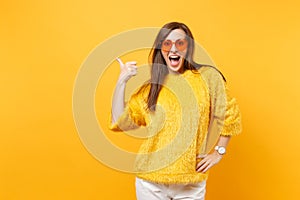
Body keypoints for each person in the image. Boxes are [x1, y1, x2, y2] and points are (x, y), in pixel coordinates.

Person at [109, 22, 242, 200]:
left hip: (190, 182)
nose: (173, 49)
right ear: (160, 49)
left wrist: (219, 152)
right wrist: (121, 81)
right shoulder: (151, 88)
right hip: (150, 182)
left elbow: (230, 115)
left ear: (189, 47)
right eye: (167, 43)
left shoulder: (208, 77)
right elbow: (121, 121)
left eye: (180, 43)